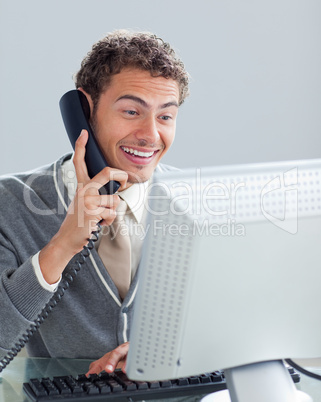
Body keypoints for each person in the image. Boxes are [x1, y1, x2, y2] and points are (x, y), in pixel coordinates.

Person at [0, 29, 189, 374]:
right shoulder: (12, 204)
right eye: (132, 111)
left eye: (165, 116)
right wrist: (61, 247)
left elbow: (240, 324)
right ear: (84, 112)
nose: (150, 135)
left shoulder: (194, 202)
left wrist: (168, 353)